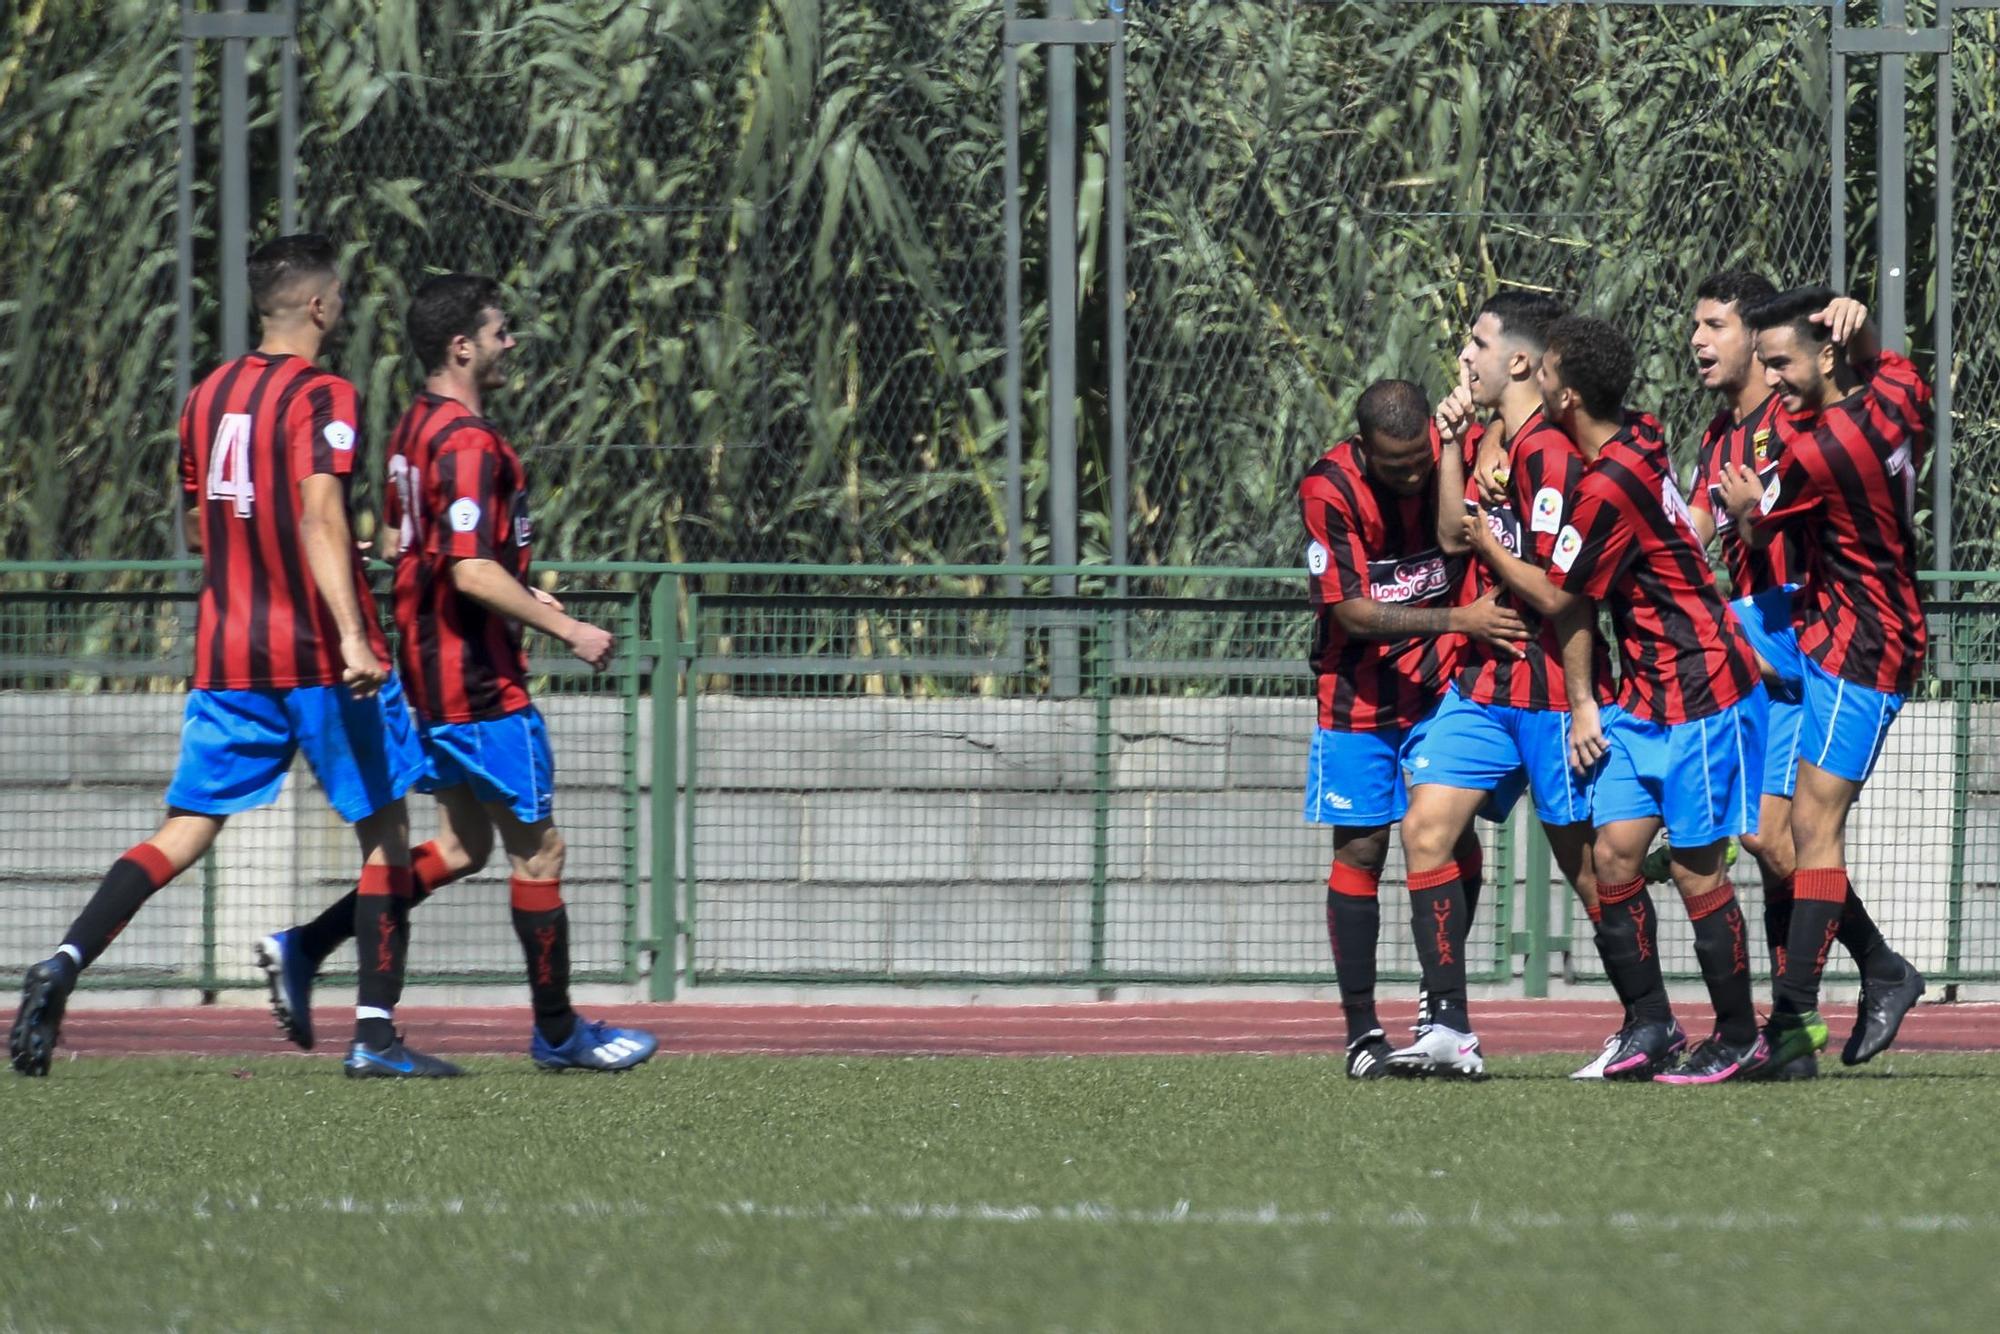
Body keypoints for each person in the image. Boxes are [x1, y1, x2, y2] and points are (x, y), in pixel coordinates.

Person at [9, 233, 453, 1078]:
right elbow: (321, 513)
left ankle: (62, 961)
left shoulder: (205, 394)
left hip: (227, 652)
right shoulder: (326, 393)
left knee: (183, 830)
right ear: (319, 305)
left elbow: (194, 525)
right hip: (321, 656)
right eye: (341, 296)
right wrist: (354, 633)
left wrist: (259, 548)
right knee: (388, 836)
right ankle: (376, 1039)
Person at [255, 274, 659, 1072]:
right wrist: (566, 625)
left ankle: (306, 946)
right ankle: (556, 1033)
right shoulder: (471, 442)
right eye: (500, 331)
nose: (512, 344)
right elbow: (469, 571)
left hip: (426, 680)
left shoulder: (414, 428)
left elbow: (412, 545)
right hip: (479, 686)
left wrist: (516, 580)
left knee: (464, 845)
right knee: (540, 854)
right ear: (462, 346)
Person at [1685, 271, 1920, 1076]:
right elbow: (1892, 371)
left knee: (1811, 834)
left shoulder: (1820, 449)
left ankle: (1796, 1016)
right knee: (1776, 833)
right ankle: (1853, 988)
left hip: (1859, 647)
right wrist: (1864, 342)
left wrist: (1745, 511)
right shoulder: (1894, 390)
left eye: (1784, 364)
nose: (1776, 380)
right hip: (1836, 630)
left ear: (1820, 355)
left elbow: (1753, 525)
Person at [1386, 293, 1617, 1079]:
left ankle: (1650, 1020)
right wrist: (1451, 444)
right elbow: (1455, 534)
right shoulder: (1488, 436)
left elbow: (1567, 590)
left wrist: (1586, 699)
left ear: (1518, 360)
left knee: (1594, 872)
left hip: (1552, 691)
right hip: (1485, 686)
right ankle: (1448, 1027)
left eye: (1475, 343)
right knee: (1425, 829)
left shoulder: (1553, 451)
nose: (1463, 359)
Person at [1539, 314, 1770, 1083]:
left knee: (1702, 870)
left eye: (1543, 370)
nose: (1535, 377)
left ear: (1566, 395)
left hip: (1702, 690)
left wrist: (1483, 540)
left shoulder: (1608, 484)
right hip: (1644, 698)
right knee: (1613, 856)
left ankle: (1742, 1033)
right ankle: (1650, 1025)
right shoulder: (1639, 432)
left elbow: (1555, 594)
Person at [1299, 379, 1527, 1078]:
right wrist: (1459, 618)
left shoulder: (1448, 449)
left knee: (1448, 835)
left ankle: (1443, 1009)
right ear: (1363, 448)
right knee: (1362, 850)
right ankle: (1362, 1032)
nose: (1412, 474)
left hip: (1441, 687)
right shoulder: (1327, 489)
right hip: (1357, 695)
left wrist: (1477, 425)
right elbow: (1353, 614)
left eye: (1418, 459)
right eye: (1394, 465)